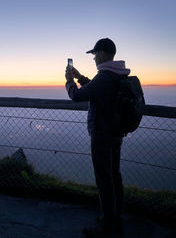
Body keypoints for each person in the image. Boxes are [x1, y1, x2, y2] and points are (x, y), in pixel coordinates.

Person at [65, 38, 130, 236]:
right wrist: (80, 77)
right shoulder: (117, 73)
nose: (93, 58)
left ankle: (107, 226)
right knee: (114, 175)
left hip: (102, 135)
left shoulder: (105, 76)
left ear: (101, 53)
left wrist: (69, 81)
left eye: (94, 54)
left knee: (104, 179)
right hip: (115, 133)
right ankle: (115, 218)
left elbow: (77, 96)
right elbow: (97, 89)